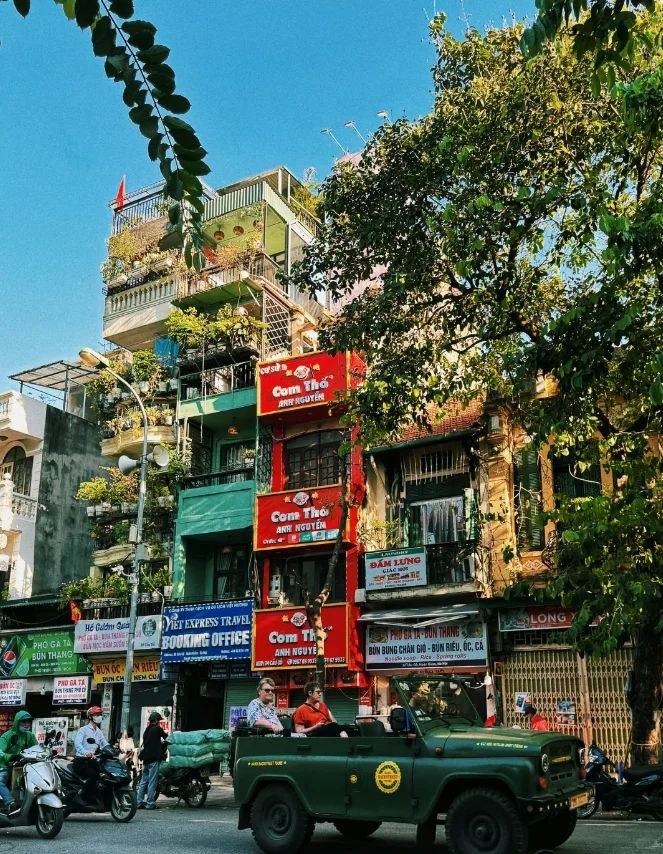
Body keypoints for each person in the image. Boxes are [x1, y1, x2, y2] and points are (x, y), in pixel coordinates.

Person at [0, 710, 37, 814]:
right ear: (17, 722)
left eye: (28, 722)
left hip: (25, 766)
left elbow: (36, 748)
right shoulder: (7, 736)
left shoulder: (30, 736)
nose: (26, 724)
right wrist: (10, 757)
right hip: (7, 765)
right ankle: (10, 803)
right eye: (23, 722)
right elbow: (0, 752)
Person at [74, 705, 109, 802]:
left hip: (92, 760)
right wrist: (86, 753)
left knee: (105, 775)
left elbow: (104, 744)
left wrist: (114, 749)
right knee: (95, 775)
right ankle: (81, 794)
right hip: (81, 761)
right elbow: (77, 744)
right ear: (90, 716)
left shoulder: (99, 732)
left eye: (100, 715)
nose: (99, 717)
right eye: (96, 715)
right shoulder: (83, 730)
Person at [136, 712, 168, 810]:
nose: (159, 722)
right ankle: (150, 803)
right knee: (152, 782)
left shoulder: (147, 730)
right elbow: (166, 737)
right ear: (156, 720)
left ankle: (139, 802)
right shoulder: (157, 729)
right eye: (158, 720)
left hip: (146, 760)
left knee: (143, 781)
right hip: (154, 760)